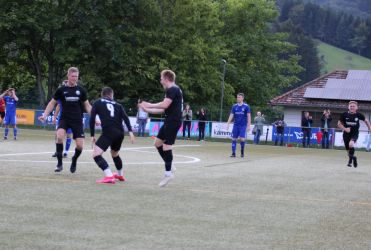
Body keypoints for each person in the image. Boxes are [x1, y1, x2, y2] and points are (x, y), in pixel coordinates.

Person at [39, 67, 92, 173]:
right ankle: (59, 164)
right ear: (68, 76)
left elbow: (87, 105)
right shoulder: (61, 90)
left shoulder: (81, 90)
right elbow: (52, 103)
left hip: (77, 120)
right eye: (73, 76)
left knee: (80, 146)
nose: (74, 78)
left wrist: (95, 117)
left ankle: (74, 160)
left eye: (76, 76)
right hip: (64, 119)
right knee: (59, 137)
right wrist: (44, 115)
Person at [139, 69, 183, 187]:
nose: (160, 80)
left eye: (161, 78)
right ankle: (169, 164)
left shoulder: (172, 89)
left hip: (173, 121)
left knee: (166, 146)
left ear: (167, 79)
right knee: (157, 143)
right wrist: (148, 110)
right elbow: (164, 109)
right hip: (169, 120)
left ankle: (168, 174)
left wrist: (148, 104)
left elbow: (164, 105)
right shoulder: (172, 90)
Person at [90, 87, 135, 184]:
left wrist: (92, 134)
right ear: (111, 95)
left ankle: (109, 176)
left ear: (103, 94)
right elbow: (126, 118)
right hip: (120, 133)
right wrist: (130, 132)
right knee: (115, 153)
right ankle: (120, 174)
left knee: (96, 154)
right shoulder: (118, 105)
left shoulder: (98, 102)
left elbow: (92, 117)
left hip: (109, 131)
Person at [338, 101, 371, 168]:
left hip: (354, 134)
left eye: (353, 106)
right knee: (348, 152)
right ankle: (352, 159)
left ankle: (351, 160)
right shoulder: (344, 114)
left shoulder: (359, 115)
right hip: (346, 134)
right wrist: (345, 129)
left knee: (351, 144)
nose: (352, 107)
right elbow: (339, 124)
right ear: (348, 107)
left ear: (356, 107)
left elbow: (366, 121)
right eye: (351, 106)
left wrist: (369, 128)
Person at [226, 93, 251, 158]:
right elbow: (231, 115)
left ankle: (242, 152)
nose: (238, 98)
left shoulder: (246, 106)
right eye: (237, 97)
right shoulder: (234, 106)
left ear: (242, 98)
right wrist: (228, 123)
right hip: (236, 125)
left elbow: (248, 116)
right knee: (234, 138)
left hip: (243, 125)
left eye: (239, 97)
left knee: (242, 139)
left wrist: (248, 125)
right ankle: (233, 153)